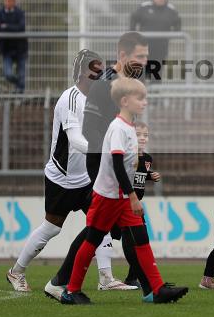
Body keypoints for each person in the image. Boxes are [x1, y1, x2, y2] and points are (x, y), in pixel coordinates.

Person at [8, 49, 131, 294]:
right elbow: (75, 140)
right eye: (97, 69)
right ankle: (16, 271)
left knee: (101, 221)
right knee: (52, 227)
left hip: (87, 176)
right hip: (62, 177)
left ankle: (105, 277)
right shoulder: (70, 98)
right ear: (85, 72)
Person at [60, 78, 188, 305]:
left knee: (141, 238)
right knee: (92, 240)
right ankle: (71, 290)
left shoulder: (129, 127)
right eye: (140, 98)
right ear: (125, 101)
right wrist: (132, 197)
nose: (145, 102)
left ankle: (156, 289)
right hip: (108, 197)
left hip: (121, 197)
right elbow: (117, 165)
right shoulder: (118, 127)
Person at [43, 32, 150, 297]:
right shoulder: (104, 85)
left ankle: (151, 287)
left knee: (114, 226)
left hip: (112, 165)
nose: (144, 62)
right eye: (139, 56)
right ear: (122, 55)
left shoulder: (123, 85)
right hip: (102, 166)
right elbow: (91, 131)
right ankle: (150, 287)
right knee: (108, 227)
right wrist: (111, 160)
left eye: (146, 57)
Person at [122, 121, 162, 286]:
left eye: (145, 135)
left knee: (138, 240)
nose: (143, 138)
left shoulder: (147, 158)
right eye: (138, 134)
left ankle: (132, 278)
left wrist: (149, 175)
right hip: (122, 204)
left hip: (135, 206)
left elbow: (138, 175)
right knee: (95, 238)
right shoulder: (125, 155)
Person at [129, 0, 181, 80]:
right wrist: (133, 32)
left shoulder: (170, 9)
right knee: (142, 68)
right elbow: (134, 18)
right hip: (144, 46)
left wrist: (175, 33)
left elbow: (177, 22)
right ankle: (141, 90)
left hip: (162, 46)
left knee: (157, 69)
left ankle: (155, 92)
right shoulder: (145, 7)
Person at [0, 0, 27, 93]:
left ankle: (19, 97)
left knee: (21, 73)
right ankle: (18, 84)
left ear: (14, 2)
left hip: (20, 48)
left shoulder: (20, 13)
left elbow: (21, 27)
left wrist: (5, 26)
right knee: (8, 74)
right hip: (6, 49)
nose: (8, 2)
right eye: (6, 0)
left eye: (10, 0)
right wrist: (12, 27)